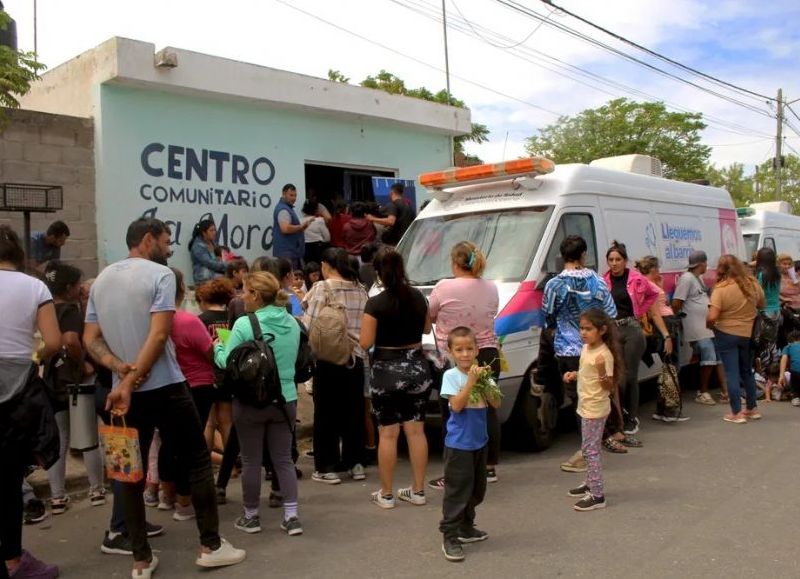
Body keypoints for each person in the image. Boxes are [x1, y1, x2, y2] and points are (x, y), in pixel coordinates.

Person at [84, 217, 245, 577]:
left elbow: (90, 338)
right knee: (198, 461)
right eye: (166, 240)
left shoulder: (102, 279)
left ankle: (140, 559)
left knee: (130, 472)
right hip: (165, 387)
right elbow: (158, 337)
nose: (170, 247)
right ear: (147, 239)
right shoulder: (161, 275)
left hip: (124, 392)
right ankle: (211, 545)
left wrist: (119, 370)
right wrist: (130, 379)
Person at [214, 271, 303, 536]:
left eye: (244, 290)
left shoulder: (244, 324)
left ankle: (251, 516)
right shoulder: (292, 322)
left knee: (251, 461)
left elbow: (228, 363)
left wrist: (218, 347)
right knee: (283, 460)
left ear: (255, 295)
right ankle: (291, 516)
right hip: (285, 398)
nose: (242, 296)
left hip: (251, 400)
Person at [0, 225, 61, 579]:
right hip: (17, 387)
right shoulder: (35, 286)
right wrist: (35, 358)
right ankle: (13, 561)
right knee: (8, 480)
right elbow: (52, 342)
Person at [360, 247, 432, 508]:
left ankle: (387, 494)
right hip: (417, 366)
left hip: (386, 369)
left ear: (378, 272)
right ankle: (419, 490)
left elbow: (366, 341)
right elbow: (426, 328)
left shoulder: (376, 303)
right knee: (416, 430)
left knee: (388, 434)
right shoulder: (417, 297)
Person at [428, 242, 501, 487]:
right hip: (488, 351)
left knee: (452, 411)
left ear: (455, 263)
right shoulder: (491, 287)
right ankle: (488, 466)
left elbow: (429, 319)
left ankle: (454, 468)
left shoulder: (443, 286)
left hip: (455, 356)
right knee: (488, 409)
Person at [542, 235, 616, 472]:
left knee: (578, 401)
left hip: (567, 349)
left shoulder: (555, 284)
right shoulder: (597, 281)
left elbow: (548, 315)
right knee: (594, 398)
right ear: (584, 255)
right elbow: (610, 311)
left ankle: (586, 450)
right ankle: (593, 446)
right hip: (595, 349)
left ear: (562, 256)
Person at [42, 261, 106, 515]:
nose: (80, 289)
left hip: (52, 380)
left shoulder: (44, 309)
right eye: (78, 285)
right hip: (75, 382)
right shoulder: (68, 310)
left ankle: (57, 496)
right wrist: (83, 364)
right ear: (69, 288)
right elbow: (70, 339)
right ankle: (97, 489)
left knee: (59, 438)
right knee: (87, 435)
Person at [303, 248, 368, 485]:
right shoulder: (361, 289)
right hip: (356, 358)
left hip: (328, 359)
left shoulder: (323, 287)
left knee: (326, 413)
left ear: (324, 265)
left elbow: (309, 325)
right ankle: (355, 463)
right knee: (353, 411)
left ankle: (326, 467)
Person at [161, 267, 219, 521]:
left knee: (169, 442)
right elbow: (209, 352)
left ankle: (166, 495)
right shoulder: (186, 321)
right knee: (191, 445)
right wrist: (217, 347)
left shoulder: (152, 322)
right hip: (196, 386)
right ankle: (185, 502)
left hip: (164, 387)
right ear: (182, 290)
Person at [438, 327, 500, 562]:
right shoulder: (451, 376)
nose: (465, 354)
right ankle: (450, 535)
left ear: (477, 350)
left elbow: (495, 403)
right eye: (459, 350)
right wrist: (471, 382)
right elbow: (456, 406)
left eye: (469, 349)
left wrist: (485, 382)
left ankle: (466, 526)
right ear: (451, 352)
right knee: (457, 491)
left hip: (479, 442)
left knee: (477, 488)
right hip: (459, 445)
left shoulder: (482, 374)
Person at [604, 241, 672, 437]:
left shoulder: (636, 278)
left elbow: (653, 294)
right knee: (616, 377)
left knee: (629, 375)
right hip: (613, 329)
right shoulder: (604, 280)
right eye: (611, 260)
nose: (614, 263)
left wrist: (640, 311)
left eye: (618, 259)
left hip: (632, 329)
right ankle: (618, 416)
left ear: (625, 261)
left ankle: (631, 417)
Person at [563, 309, 623, 512]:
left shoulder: (604, 355)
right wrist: (575, 374)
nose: (583, 333)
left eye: (589, 329)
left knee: (590, 451)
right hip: (586, 405)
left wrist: (600, 371)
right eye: (581, 328)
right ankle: (590, 482)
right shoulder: (587, 348)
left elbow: (608, 386)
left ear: (602, 330)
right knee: (588, 446)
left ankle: (597, 494)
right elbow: (586, 372)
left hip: (595, 408)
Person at [707, 254, 765, 424]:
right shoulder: (752, 283)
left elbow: (712, 317)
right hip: (747, 333)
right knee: (747, 371)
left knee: (731, 372)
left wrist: (709, 324)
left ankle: (736, 413)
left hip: (726, 333)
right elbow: (762, 304)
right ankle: (752, 409)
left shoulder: (721, 288)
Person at [634, 256, 688, 422]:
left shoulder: (647, 283)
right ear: (653, 269)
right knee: (671, 367)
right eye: (658, 268)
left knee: (668, 367)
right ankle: (666, 407)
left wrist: (660, 286)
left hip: (665, 323)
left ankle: (665, 406)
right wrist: (666, 335)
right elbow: (655, 312)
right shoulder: (648, 285)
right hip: (665, 325)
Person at [672, 251, 728, 405]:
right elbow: (677, 302)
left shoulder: (698, 278)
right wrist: (678, 320)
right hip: (695, 325)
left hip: (706, 325)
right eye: (705, 263)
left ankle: (725, 391)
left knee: (717, 355)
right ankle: (702, 391)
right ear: (701, 264)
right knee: (708, 352)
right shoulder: (687, 279)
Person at [273, 184, 313, 269]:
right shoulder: (283, 210)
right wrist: (301, 226)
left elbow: (295, 229)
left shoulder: (288, 208)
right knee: (290, 279)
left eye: (295, 195)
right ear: (284, 194)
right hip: (287, 254)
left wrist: (304, 226)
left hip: (292, 253)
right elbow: (285, 229)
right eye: (291, 195)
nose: (294, 198)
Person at [189, 219, 226, 286]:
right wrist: (228, 265)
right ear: (204, 233)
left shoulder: (213, 243)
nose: (214, 232)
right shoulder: (198, 246)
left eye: (215, 230)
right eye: (211, 230)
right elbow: (209, 263)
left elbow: (219, 258)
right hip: (203, 278)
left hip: (213, 274)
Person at [301, 198, 331, 265]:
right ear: (316, 210)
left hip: (304, 249)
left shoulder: (300, 221)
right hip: (318, 249)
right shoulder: (320, 220)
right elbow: (327, 238)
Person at [779, 330, 800, 406]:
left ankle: (795, 397)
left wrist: (781, 375)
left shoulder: (788, 347)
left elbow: (784, 359)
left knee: (794, 379)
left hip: (796, 372)